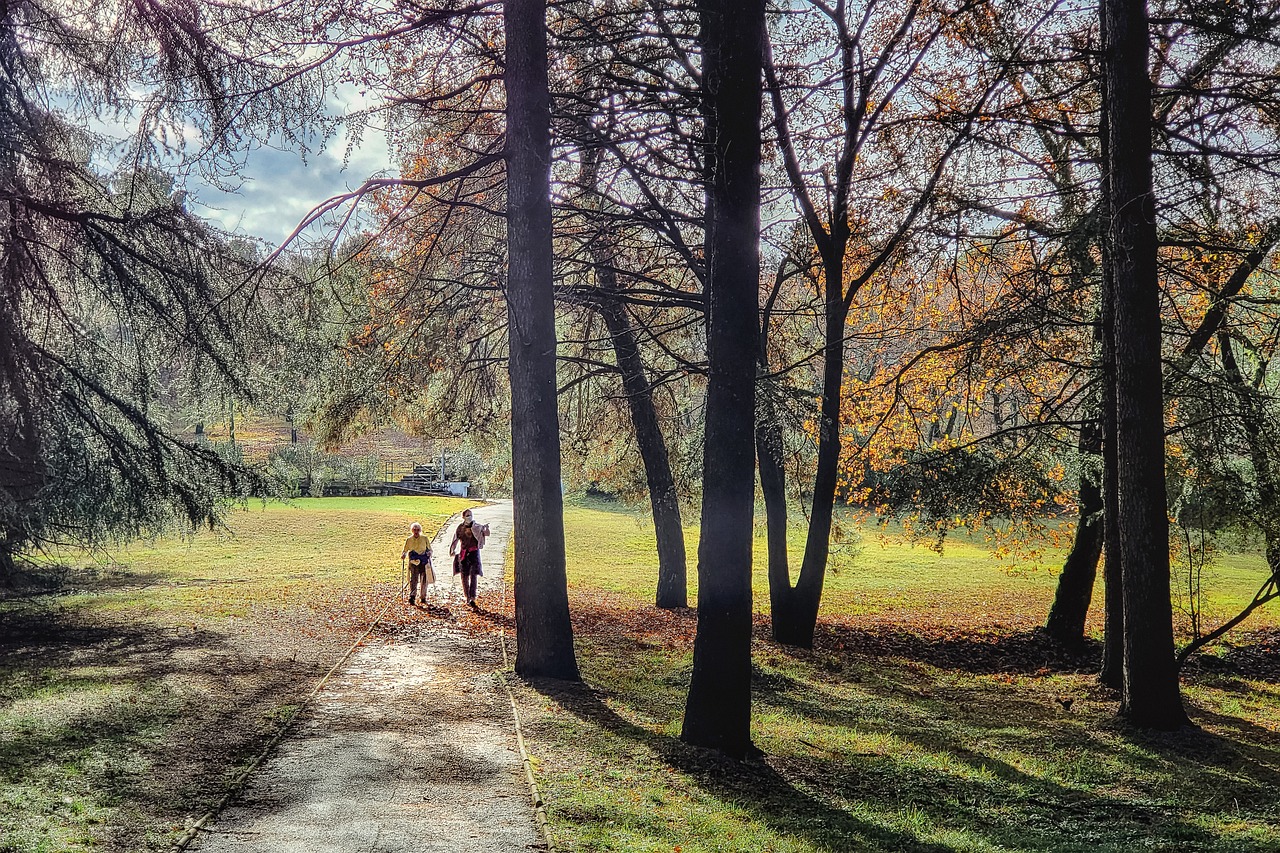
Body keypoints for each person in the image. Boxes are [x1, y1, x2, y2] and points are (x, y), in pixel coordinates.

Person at [449, 508, 489, 608]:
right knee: (464, 575)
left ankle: (472, 597)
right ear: (463, 517)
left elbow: (486, 534)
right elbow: (455, 539)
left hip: (474, 553)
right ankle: (467, 595)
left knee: (473, 574)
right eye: (467, 515)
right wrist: (452, 549)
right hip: (463, 554)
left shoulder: (476, 526)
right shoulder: (460, 528)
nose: (469, 517)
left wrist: (486, 529)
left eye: (470, 515)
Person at [401, 522, 434, 605]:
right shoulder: (409, 539)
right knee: (413, 580)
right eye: (414, 530)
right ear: (412, 530)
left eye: (418, 530)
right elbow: (405, 550)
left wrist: (429, 553)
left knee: (424, 580)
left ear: (420, 530)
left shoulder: (424, 538)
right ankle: (412, 596)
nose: (416, 531)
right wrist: (403, 555)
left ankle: (423, 597)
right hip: (413, 562)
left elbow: (430, 549)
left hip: (423, 561)